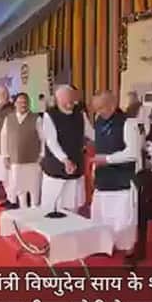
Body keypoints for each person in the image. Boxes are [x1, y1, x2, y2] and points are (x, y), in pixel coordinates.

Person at [90, 91, 141, 252]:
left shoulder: (128, 123)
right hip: (103, 177)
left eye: (101, 108)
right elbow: (99, 148)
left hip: (122, 178)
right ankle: (105, 244)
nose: (98, 112)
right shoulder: (99, 121)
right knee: (102, 214)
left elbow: (132, 153)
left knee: (123, 218)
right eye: (96, 109)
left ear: (113, 105)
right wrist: (95, 168)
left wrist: (107, 159)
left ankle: (127, 247)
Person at [41, 85, 94, 213]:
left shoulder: (80, 114)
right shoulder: (50, 115)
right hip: (56, 166)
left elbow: (91, 133)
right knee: (54, 207)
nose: (69, 103)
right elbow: (51, 142)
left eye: (71, 99)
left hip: (76, 164)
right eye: (65, 100)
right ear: (57, 100)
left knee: (74, 205)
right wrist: (65, 160)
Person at [0, 91, 44, 209]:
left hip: (33, 161)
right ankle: (23, 210)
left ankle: (35, 209)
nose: (23, 104)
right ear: (15, 104)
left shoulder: (36, 118)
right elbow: (3, 138)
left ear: (29, 103)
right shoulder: (9, 118)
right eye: (20, 102)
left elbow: (43, 138)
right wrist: (5, 156)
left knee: (34, 187)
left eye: (25, 102)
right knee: (20, 188)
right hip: (15, 160)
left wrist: (42, 155)